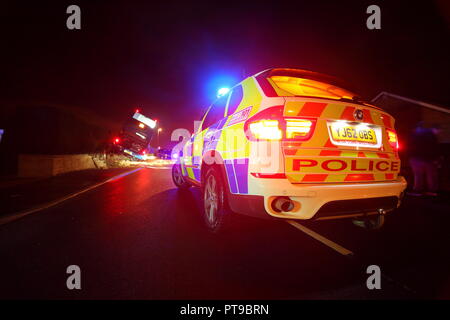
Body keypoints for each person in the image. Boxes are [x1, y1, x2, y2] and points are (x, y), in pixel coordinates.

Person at [407, 122, 440, 196]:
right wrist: (436, 159)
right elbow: (435, 148)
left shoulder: (414, 135)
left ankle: (418, 191)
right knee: (431, 175)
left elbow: (410, 146)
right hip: (429, 158)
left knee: (418, 175)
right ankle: (432, 191)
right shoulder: (431, 136)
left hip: (416, 158)